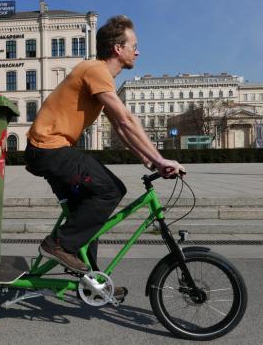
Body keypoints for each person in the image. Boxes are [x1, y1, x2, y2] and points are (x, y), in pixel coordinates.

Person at [25, 15, 185, 274]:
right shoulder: (95, 70)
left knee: (88, 211)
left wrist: (144, 157)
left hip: (49, 150)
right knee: (111, 190)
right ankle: (58, 245)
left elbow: (119, 128)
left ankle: (91, 279)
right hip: (48, 149)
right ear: (117, 49)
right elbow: (126, 119)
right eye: (134, 45)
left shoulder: (101, 77)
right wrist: (160, 160)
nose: (138, 51)